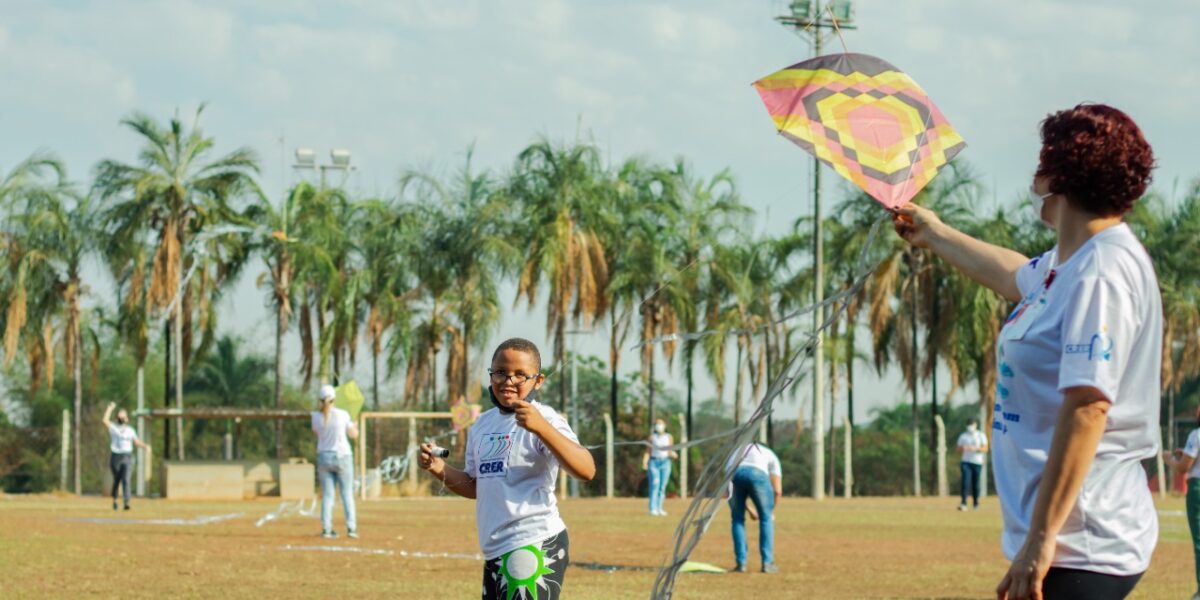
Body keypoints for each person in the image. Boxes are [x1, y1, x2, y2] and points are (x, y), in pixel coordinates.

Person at [893, 103, 1160, 600]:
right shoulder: (1072, 261)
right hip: (1068, 538)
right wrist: (933, 232)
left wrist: (1040, 542)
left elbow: (1088, 408)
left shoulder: (1100, 271)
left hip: (1083, 542)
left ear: (1054, 176)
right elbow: (1015, 276)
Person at [418, 338, 595, 600]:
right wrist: (438, 467)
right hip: (495, 550)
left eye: (520, 375)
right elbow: (476, 486)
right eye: (500, 372)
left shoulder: (545, 419)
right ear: (491, 375)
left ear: (538, 380)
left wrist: (541, 428)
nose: (508, 381)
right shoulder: (482, 425)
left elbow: (586, 470)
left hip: (534, 543)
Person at [725, 442, 782, 574]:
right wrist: (770, 512)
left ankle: (741, 564)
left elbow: (729, 491)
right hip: (758, 474)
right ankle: (767, 563)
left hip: (734, 473)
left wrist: (750, 510)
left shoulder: (735, 452)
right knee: (766, 519)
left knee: (737, 519)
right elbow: (778, 491)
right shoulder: (769, 453)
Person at [311, 384, 358, 539]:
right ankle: (351, 528)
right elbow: (353, 435)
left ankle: (326, 528)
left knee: (328, 496)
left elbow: (317, 433)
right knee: (346, 494)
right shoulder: (343, 414)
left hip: (324, 457)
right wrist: (354, 425)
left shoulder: (315, 417)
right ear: (334, 400)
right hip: (342, 456)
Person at [1164, 406, 1200, 600]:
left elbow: (1182, 468)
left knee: (1199, 541)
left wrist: (1169, 459)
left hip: (1198, 489)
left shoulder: (1196, 435)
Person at [101, 402, 150, 511]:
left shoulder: (130, 430)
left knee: (126, 479)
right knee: (117, 480)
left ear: (127, 418)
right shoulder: (113, 427)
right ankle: (114, 500)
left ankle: (126, 502)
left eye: (124, 415)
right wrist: (110, 408)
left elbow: (136, 442)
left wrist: (144, 446)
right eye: (120, 414)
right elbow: (104, 420)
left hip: (127, 456)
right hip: (116, 456)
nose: (122, 416)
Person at [642, 417, 678, 517]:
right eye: (657, 424)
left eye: (661, 424)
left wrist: (673, 454)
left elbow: (670, 450)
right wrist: (645, 462)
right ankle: (652, 508)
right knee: (655, 484)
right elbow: (648, 451)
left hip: (666, 462)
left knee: (662, 487)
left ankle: (659, 508)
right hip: (654, 462)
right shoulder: (652, 437)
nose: (659, 426)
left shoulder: (669, 437)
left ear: (665, 426)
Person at [956, 418, 989, 511]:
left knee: (976, 483)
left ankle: (975, 503)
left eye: (972, 424)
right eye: (969, 424)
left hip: (977, 462)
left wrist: (976, 449)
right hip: (966, 462)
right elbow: (957, 449)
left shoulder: (980, 435)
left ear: (975, 425)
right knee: (965, 482)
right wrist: (963, 448)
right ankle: (963, 503)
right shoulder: (963, 436)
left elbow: (986, 449)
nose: (970, 427)